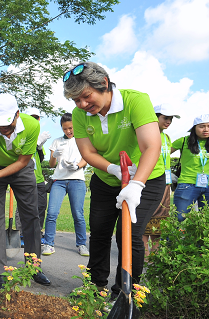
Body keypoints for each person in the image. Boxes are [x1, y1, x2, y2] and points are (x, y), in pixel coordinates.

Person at [64, 62, 165, 299]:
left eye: (86, 97)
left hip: (146, 177)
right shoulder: (81, 114)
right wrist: (112, 169)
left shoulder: (135, 101)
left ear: (104, 84)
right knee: (99, 232)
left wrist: (137, 184)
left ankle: (126, 292)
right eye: (76, 101)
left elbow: (151, 146)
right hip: (106, 179)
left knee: (129, 233)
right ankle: (94, 286)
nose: (82, 105)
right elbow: (88, 153)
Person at [0, 93, 51, 288]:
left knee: (31, 217)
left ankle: (34, 267)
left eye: (7, 124)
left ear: (17, 115)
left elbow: (23, 161)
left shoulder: (31, 125)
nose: (3, 130)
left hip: (21, 169)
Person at [42, 112, 89, 257]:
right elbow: (51, 164)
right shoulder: (56, 142)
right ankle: (49, 244)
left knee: (78, 214)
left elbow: (86, 158)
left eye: (70, 128)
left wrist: (77, 166)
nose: (68, 131)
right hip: (59, 181)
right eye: (65, 129)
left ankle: (81, 244)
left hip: (77, 180)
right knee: (52, 213)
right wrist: (54, 155)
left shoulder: (82, 140)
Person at [171, 114, 209, 222]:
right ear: (194, 128)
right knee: (179, 218)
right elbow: (162, 153)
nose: (206, 129)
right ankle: (173, 239)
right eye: (202, 126)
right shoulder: (183, 141)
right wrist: (166, 171)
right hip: (187, 184)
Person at [142, 104, 180, 257]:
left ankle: (155, 256)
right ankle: (143, 256)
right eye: (165, 118)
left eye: (171, 119)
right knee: (145, 218)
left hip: (165, 184)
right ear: (155, 117)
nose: (169, 121)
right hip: (148, 181)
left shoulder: (167, 137)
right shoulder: (145, 134)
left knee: (161, 219)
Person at [14, 108, 50, 246]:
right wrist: (35, 143)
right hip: (23, 177)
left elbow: (40, 160)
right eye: (31, 117)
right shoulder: (20, 134)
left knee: (40, 207)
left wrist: (39, 147)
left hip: (39, 178)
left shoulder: (39, 136)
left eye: (36, 117)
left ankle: (36, 233)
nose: (34, 120)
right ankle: (21, 234)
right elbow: (19, 156)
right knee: (22, 207)